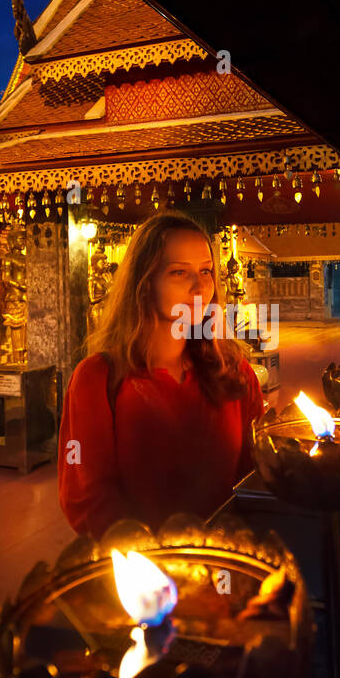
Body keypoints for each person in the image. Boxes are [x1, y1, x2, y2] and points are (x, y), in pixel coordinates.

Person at [58, 211, 265, 539]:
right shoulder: (98, 379)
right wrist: (157, 561)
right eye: (180, 272)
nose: (200, 286)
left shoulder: (234, 372)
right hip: (145, 575)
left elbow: (255, 473)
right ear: (144, 282)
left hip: (227, 560)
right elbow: (88, 497)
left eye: (206, 271)